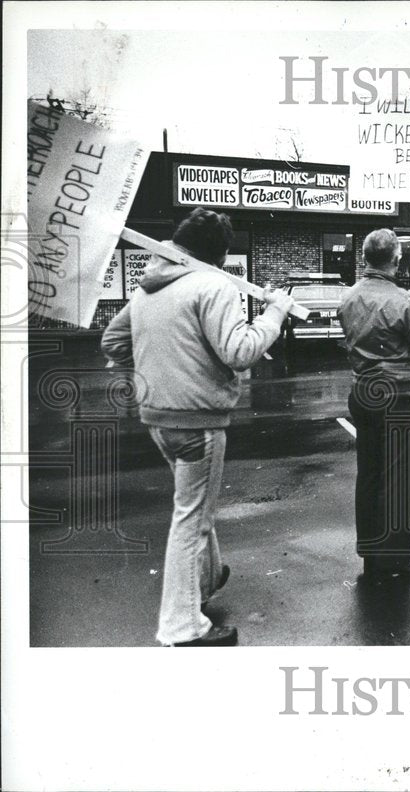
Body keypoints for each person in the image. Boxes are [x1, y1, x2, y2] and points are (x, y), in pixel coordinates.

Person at [101, 207, 294, 646]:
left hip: (157, 416)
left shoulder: (148, 288)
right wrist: (274, 314)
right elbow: (240, 352)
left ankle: (206, 579)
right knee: (192, 521)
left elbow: (112, 342)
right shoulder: (212, 285)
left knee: (194, 507)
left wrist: (161, 364)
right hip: (197, 422)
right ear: (219, 254)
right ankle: (182, 626)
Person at [339, 229, 410, 584]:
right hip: (399, 395)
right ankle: (395, 558)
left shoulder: (348, 297)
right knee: (397, 480)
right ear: (396, 260)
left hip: (364, 391)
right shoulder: (403, 302)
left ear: (365, 258)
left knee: (369, 473)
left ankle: (370, 552)